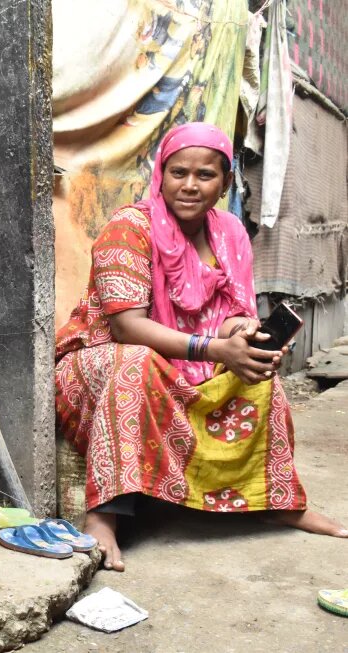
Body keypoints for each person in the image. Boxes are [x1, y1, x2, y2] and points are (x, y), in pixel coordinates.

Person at [55, 122, 348, 572]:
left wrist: (244, 337)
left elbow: (231, 313)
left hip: (192, 358)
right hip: (102, 361)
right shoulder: (130, 228)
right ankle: (104, 514)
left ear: (226, 181)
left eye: (205, 175)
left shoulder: (230, 232)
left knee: (257, 372)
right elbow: (128, 327)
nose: (190, 185)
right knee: (136, 364)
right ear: (161, 174)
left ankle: (280, 500)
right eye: (178, 173)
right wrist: (216, 350)